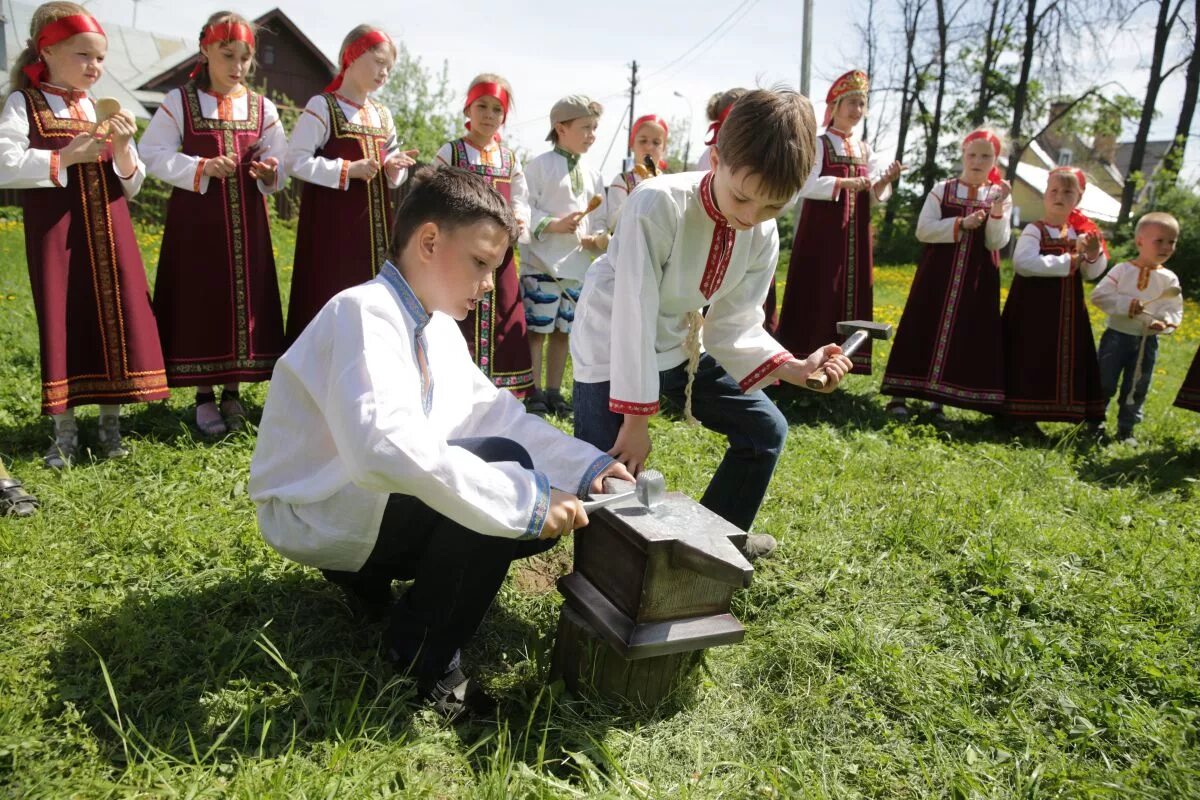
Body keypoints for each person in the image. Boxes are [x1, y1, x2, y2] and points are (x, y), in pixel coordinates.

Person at [249, 166, 630, 717]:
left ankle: (370, 579)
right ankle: (421, 657)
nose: (486, 285)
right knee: (506, 472)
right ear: (429, 241)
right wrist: (523, 497)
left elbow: (494, 412)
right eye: (479, 263)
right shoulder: (364, 311)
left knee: (512, 473)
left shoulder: (434, 324)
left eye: (493, 270)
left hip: (355, 501)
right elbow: (381, 442)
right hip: (316, 510)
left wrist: (586, 468)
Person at [569, 89, 853, 560]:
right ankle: (604, 582)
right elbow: (634, 312)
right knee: (608, 475)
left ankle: (715, 544)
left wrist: (797, 368)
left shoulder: (762, 230)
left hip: (682, 346)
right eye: (742, 197)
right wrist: (637, 420)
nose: (750, 217)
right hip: (612, 346)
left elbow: (734, 324)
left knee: (764, 431)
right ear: (716, 158)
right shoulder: (657, 202)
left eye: (772, 207)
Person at [0, 1, 169, 467]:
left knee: (113, 320)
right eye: (83, 55)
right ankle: (65, 434)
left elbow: (131, 185)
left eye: (100, 58)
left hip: (111, 232)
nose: (94, 66)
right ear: (47, 51)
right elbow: (4, 164)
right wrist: (65, 158)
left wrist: (121, 146)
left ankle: (111, 429)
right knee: (65, 317)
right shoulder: (25, 103)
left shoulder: (100, 107)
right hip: (59, 235)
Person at [141, 11, 287, 437]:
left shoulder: (263, 107)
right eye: (228, 55)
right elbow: (153, 152)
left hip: (249, 227)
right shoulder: (179, 102)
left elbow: (282, 161)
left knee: (244, 302)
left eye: (244, 58)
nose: (237, 66)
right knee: (201, 297)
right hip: (197, 226)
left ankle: (233, 392)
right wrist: (200, 166)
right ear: (205, 51)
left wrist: (270, 172)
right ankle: (204, 395)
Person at [283, 25, 414, 345]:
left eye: (390, 68)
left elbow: (391, 161)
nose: (385, 73)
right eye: (379, 62)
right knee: (330, 290)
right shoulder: (323, 106)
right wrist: (346, 170)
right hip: (332, 226)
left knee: (372, 294)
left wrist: (394, 167)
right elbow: (295, 161)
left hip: (375, 229)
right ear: (351, 56)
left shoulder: (382, 115)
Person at [775, 70, 902, 375]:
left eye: (862, 104)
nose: (857, 110)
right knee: (818, 288)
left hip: (855, 235)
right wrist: (843, 184)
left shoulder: (863, 148)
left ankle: (844, 364)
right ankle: (804, 359)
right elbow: (805, 184)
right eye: (852, 103)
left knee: (851, 291)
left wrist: (883, 181)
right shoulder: (819, 143)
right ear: (834, 106)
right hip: (822, 232)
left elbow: (873, 194)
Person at [880, 129, 1013, 421]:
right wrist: (961, 223)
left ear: (995, 160)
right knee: (921, 324)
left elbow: (997, 242)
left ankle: (938, 402)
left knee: (963, 332)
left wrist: (999, 209)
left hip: (976, 280)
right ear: (963, 155)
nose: (977, 161)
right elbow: (923, 229)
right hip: (936, 275)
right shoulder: (943, 188)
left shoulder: (999, 195)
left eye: (985, 156)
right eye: (972, 154)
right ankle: (899, 395)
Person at [434, 73, 534, 396]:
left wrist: (519, 218)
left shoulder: (509, 159)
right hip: (462, 251)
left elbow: (520, 197)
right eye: (482, 106)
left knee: (503, 309)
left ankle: (500, 389)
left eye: (496, 109)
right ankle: (454, 382)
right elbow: (433, 193)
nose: (489, 115)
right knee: (458, 309)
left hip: (499, 254)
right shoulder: (452, 153)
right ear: (468, 109)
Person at [521, 95, 609, 417]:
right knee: (537, 331)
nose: (592, 134)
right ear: (561, 127)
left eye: (595, 128)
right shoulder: (539, 166)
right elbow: (523, 208)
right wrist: (554, 225)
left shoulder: (595, 174)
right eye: (586, 127)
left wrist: (597, 239)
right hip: (542, 263)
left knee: (562, 332)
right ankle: (534, 392)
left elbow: (601, 219)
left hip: (576, 267)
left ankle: (555, 392)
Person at [1002, 166, 1107, 432]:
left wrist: (1093, 255)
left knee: (1070, 359)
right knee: (1030, 356)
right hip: (1032, 312)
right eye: (1054, 191)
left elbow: (1091, 272)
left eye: (1067, 192)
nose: (1059, 196)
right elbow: (1024, 263)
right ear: (1044, 195)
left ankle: (1079, 414)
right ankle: (1021, 415)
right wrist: (1068, 260)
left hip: (1068, 317)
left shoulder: (1081, 235)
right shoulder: (1034, 230)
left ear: (1078, 199)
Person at [1091, 211, 1183, 443]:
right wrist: (1126, 305)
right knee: (1105, 380)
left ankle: (1126, 428)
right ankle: (1094, 422)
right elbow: (1100, 295)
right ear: (1140, 241)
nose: (1166, 247)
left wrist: (1164, 322)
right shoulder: (1122, 270)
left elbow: (1173, 307)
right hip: (1117, 336)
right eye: (1159, 240)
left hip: (1147, 341)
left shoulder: (1169, 279)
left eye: (1171, 241)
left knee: (1138, 384)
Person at [607, 113, 669, 228]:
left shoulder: (668, 184)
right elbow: (613, 223)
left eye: (656, 142)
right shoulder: (623, 181)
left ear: (664, 148)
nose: (649, 147)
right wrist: (639, 192)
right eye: (643, 141)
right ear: (632, 144)